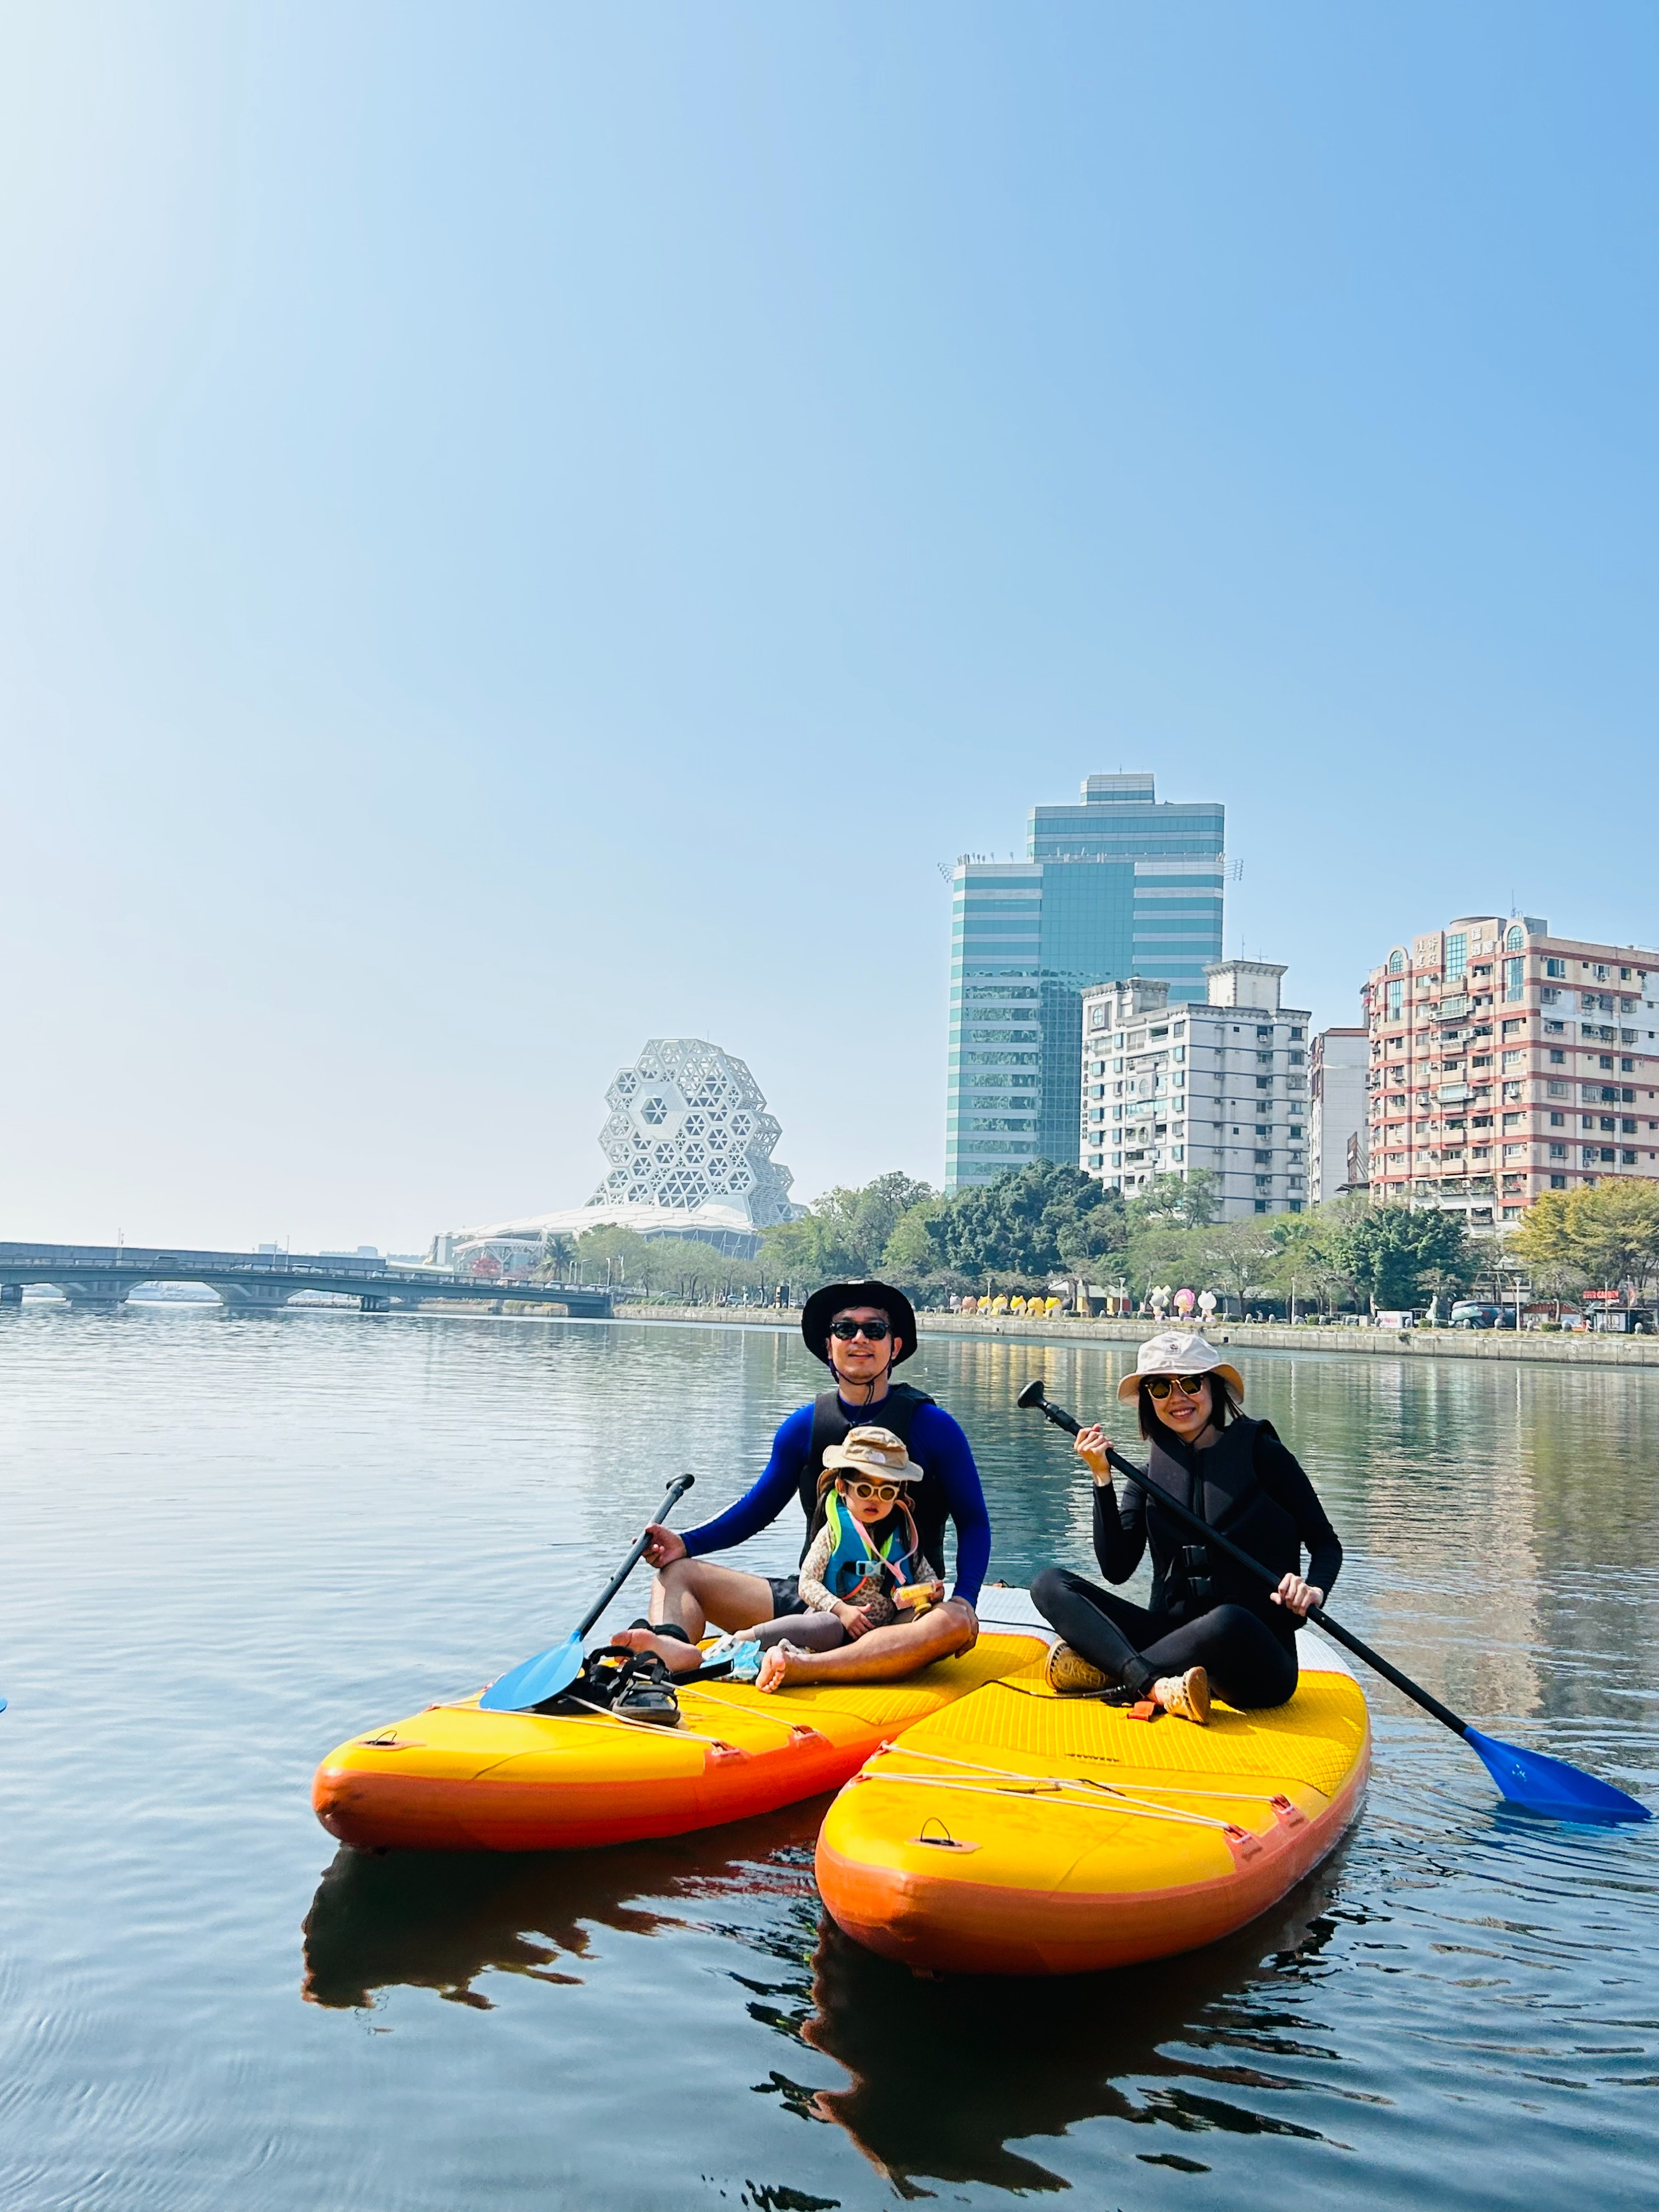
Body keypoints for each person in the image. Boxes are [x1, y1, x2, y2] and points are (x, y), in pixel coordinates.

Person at [611, 1279, 988, 1687]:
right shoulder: (804, 1427)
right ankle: (675, 1649)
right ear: (829, 1346)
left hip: (898, 1612)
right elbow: (757, 1509)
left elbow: (973, 1521)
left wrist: (966, 1597)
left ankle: (804, 1668)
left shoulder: (935, 1428)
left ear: (894, 1347)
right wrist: (685, 1543)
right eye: (845, 1329)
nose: (859, 1339)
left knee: (954, 1622)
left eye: (875, 1329)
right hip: (817, 1606)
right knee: (677, 1573)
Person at [1029, 1331, 1341, 1723]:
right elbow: (1117, 1568)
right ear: (1148, 1400)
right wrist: (1101, 1479)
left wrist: (1313, 1590)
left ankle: (1116, 1673)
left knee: (1227, 1619)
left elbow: (1326, 1545)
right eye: (1160, 1388)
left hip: (1255, 1660)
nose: (1177, 1399)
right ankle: (1155, 1685)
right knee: (1049, 1584)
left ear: (1213, 1387)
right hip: (1172, 1645)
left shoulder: (1265, 1455)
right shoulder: (1143, 1476)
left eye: (1190, 1383)